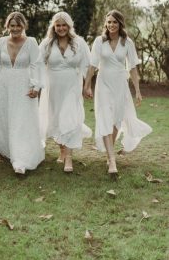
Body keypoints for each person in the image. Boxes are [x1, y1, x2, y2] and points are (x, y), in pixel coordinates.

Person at [83, 10, 152, 177]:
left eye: (114, 22)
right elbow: (92, 65)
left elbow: (133, 67)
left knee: (116, 120)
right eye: (109, 22)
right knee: (105, 116)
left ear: (120, 24)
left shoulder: (127, 42)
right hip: (104, 82)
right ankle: (112, 160)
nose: (111, 25)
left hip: (121, 83)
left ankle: (109, 152)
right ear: (105, 24)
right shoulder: (100, 41)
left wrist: (137, 90)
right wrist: (87, 86)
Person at [0, 12, 44, 175]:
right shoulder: (1, 42)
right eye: (12, 25)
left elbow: (36, 65)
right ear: (8, 26)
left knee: (22, 120)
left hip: (23, 84)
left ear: (24, 26)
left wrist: (35, 86)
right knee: (4, 117)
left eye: (18, 25)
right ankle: (3, 151)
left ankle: (21, 159)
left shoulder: (31, 42)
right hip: (4, 85)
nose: (15, 29)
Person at [39, 12, 92, 173]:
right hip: (53, 87)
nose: (61, 28)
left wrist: (87, 86)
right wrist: (37, 85)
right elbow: (37, 64)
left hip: (72, 85)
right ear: (54, 27)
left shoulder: (79, 43)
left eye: (64, 25)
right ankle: (62, 150)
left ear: (69, 26)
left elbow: (89, 65)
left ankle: (68, 158)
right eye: (58, 25)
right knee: (56, 119)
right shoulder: (47, 44)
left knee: (69, 117)